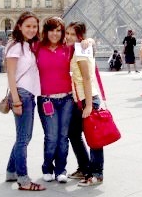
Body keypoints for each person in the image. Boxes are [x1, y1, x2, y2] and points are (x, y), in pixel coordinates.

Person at [5, 12, 44, 190]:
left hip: (29, 94)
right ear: (20, 26)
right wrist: (16, 100)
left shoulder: (28, 45)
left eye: (34, 26)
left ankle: (11, 171)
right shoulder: (15, 47)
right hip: (22, 95)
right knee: (23, 138)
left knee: (24, 137)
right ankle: (23, 179)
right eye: (28, 26)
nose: (31, 29)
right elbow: (11, 75)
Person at [35, 16, 74, 183]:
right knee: (51, 137)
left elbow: (85, 44)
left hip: (66, 99)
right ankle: (47, 166)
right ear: (46, 31)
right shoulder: (37, 47)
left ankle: (61, 169)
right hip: (46, 100)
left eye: (59, 30)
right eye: (52, 30)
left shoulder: (69, 49)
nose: (55, 34)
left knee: (63, 137)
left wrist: (90, 41)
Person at [66, 21, 105, 186]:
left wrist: (89, 105)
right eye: (67, 33)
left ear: (80, 36)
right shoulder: (77, 48)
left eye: (73, 34)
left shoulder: (80, 49)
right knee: (74, 134)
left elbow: (87, 78)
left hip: (87, 99)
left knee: (93, 138)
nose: (68, 37)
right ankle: (84, 167)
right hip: (79, 100)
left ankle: (96, 174)